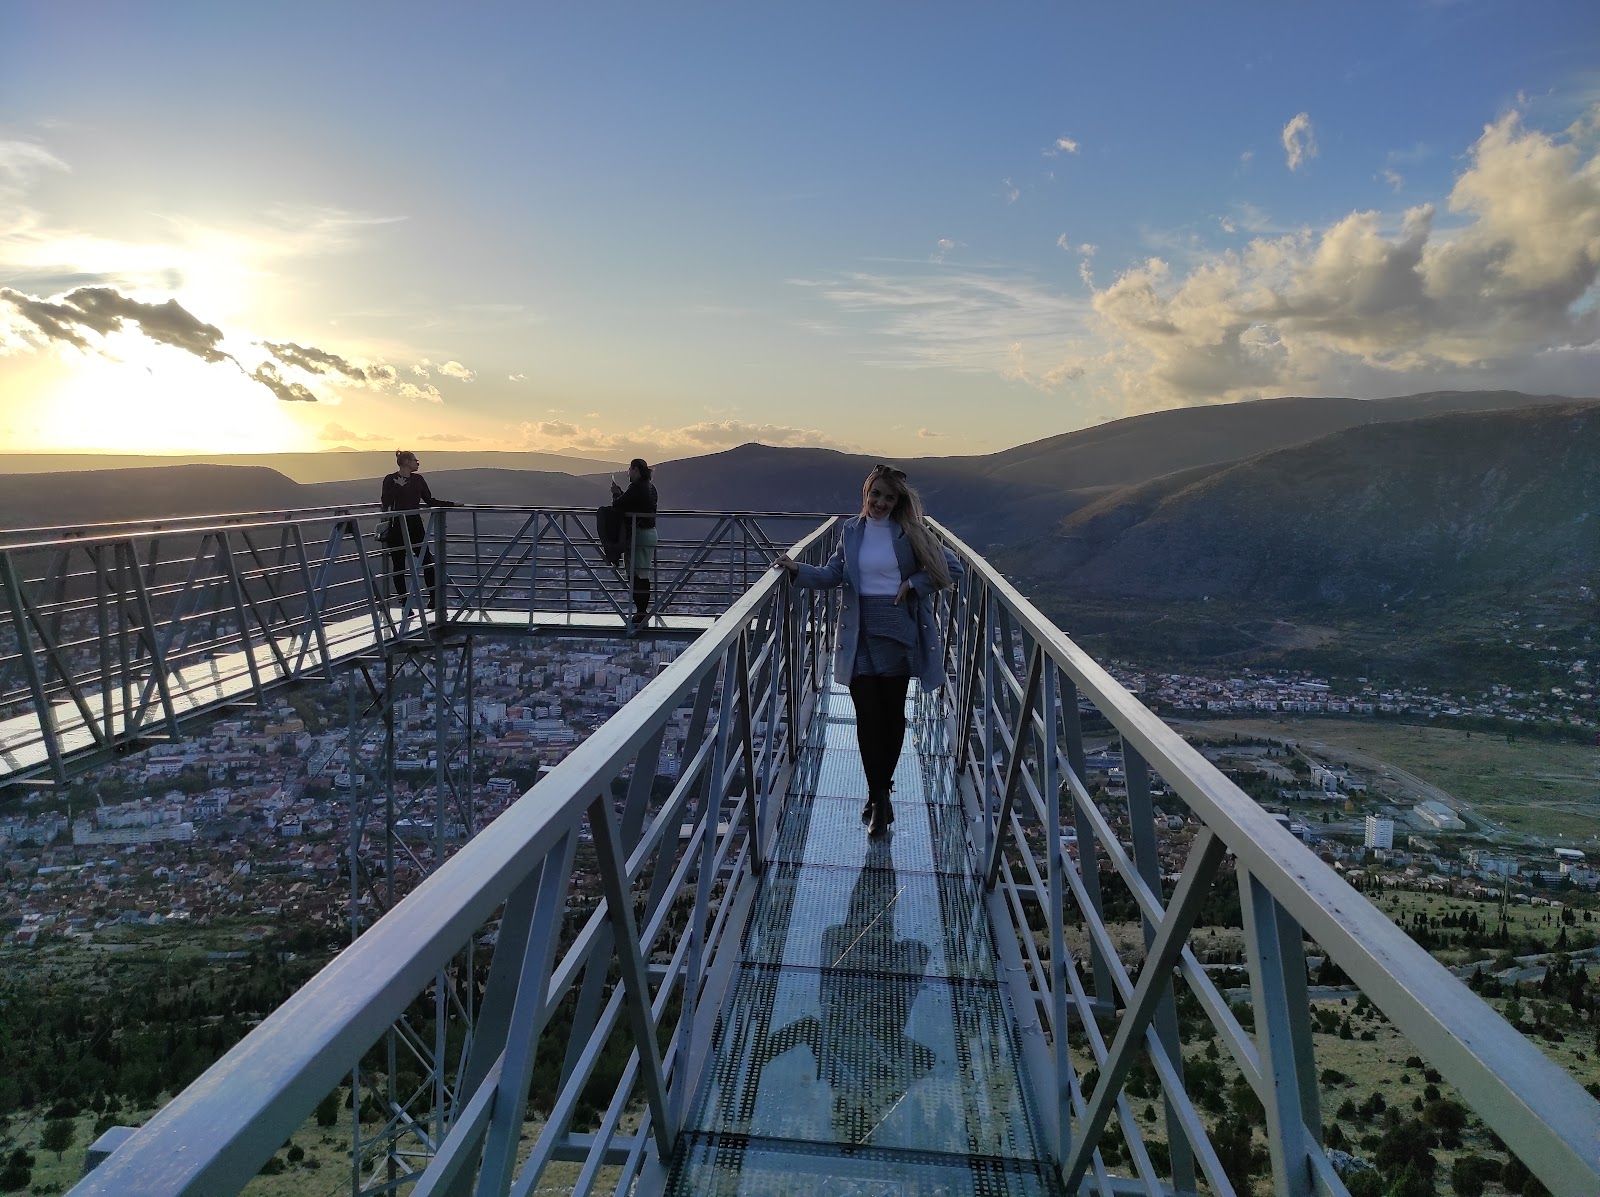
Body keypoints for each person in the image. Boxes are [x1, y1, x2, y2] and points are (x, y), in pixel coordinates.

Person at [776, 463, 962, 836]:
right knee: (867, 717)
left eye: (888, 497)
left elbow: (952, 567)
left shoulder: (910, 532)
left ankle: (880, 794)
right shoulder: (851, 531)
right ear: (866, 493)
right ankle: (878, 797)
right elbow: (833, 575)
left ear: (898, 502)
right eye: (875, 494)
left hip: (896, 630)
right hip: (857, 631)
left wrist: (912, 584)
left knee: (891, 716)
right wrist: (797, 570)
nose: (880, 502)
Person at [380, 449, 459, 610]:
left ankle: (433, 598)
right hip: (397, 526)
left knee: (426, 560)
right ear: (406, 462)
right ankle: (404, 603)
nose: (418, 463)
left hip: (414, 524)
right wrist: (397, 487)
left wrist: (451, 504)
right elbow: (385, 501)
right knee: (399, 564)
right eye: (415, 460)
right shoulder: (390, 479)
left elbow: (429, 500)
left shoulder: (418, 480)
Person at [609, 458, 658, 627]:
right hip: (650, 533)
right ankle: (641, 611)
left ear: (636, 470)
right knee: (641, 573)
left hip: (640, 535)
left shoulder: (636, 487)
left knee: (638, 575)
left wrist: (616, 493)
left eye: (630, 469)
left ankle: (641, 612)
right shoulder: (650, 487)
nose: (628, 472)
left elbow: (618, 505)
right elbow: (632, 502)